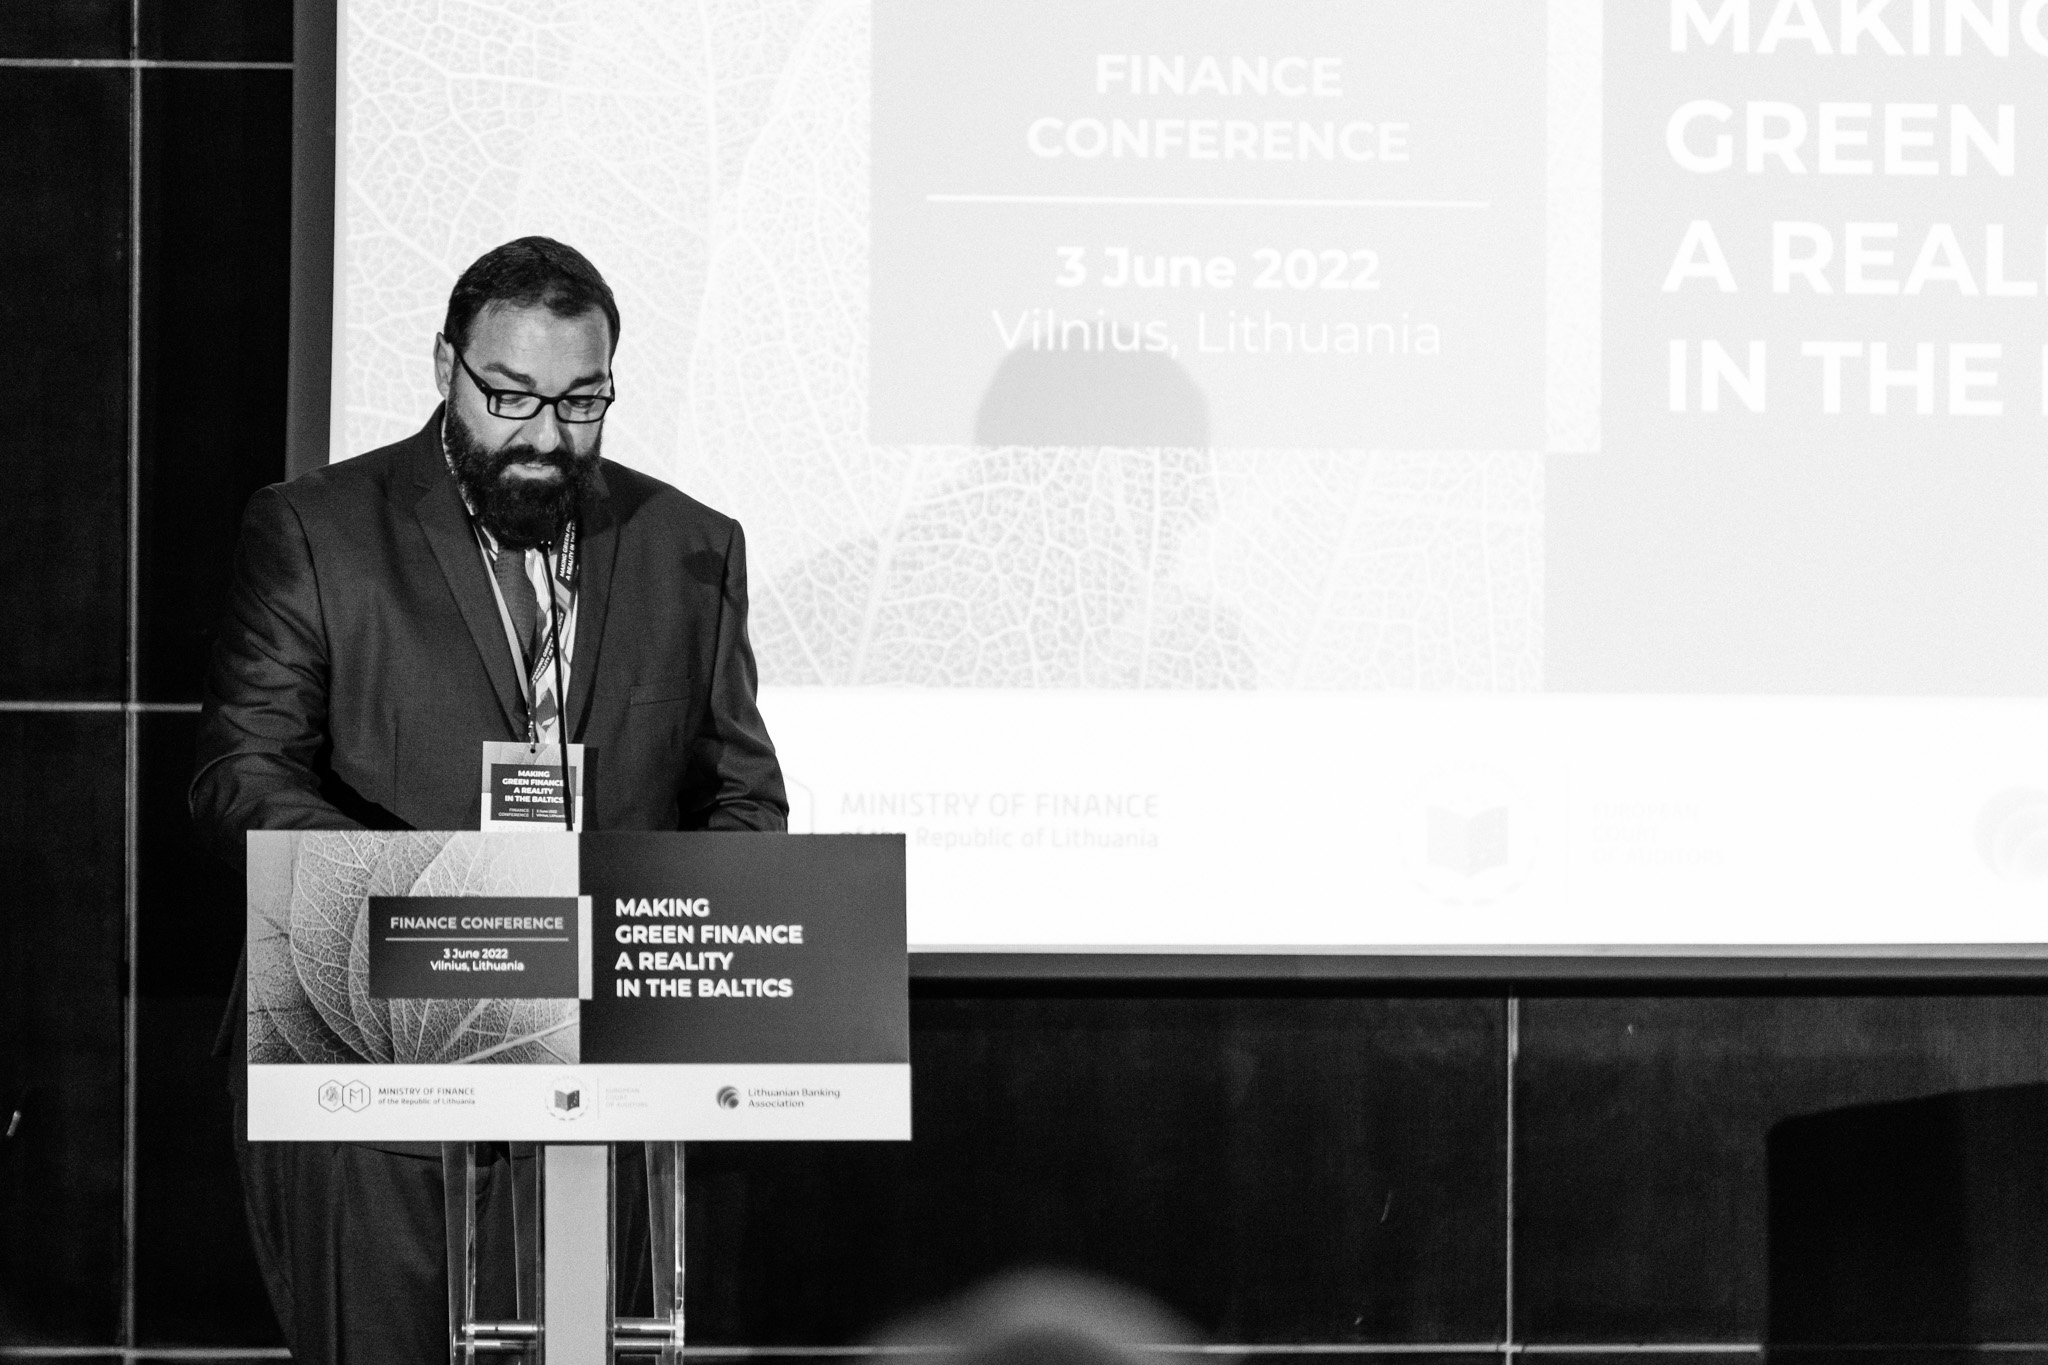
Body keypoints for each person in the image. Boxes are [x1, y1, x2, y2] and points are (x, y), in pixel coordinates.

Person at [190, 236, 787, 1363]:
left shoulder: (688, 546)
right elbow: (241, 772)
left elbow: (742, 798)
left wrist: (681, 932)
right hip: (368, 1065)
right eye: (510, 397)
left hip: (602, 1088)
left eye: (580, 401)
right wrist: (427, 907)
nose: (545, 435)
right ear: (445, 366)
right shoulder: (317, 528)